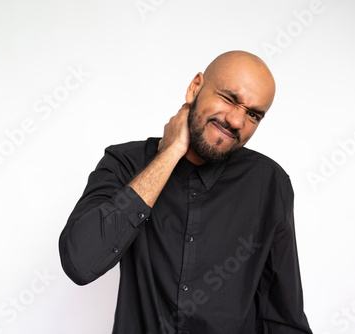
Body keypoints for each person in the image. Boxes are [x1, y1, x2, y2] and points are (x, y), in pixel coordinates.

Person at [59, 50, 313, 334]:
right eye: (230, 99)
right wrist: (170, 154)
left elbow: (281, 316)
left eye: (253, 115)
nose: (237, 121)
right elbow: (80, 263)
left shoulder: (269, 183)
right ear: (195, 87)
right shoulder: (124, 163)